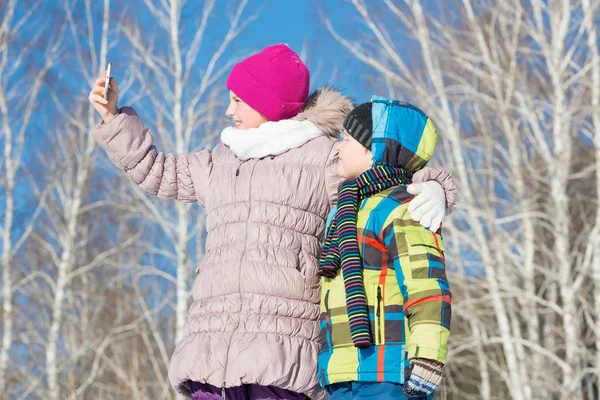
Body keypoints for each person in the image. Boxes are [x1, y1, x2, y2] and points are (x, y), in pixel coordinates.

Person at [88, 44, 456, 399]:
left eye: (238, 101)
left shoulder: (323, 158)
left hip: (284, 338)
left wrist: (435, 188)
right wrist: (113, 117)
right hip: (213, 337)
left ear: (268, 104)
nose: (229, 111)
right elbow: (158, 170)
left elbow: (387, 171)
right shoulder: (220, 160)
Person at [318, 98, 452, 400]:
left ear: (376, 150)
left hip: (389, 372)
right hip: (341, 373)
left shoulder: (402, 207)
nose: (338, 148)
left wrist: (428, 356)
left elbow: (427, 284)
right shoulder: (345, 210)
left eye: (347, 140)